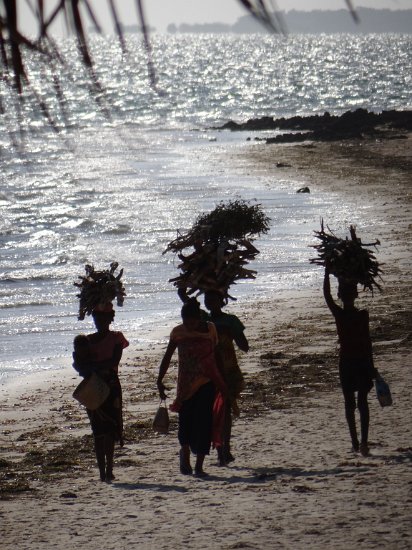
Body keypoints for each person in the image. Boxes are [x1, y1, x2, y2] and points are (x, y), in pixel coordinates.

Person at [157, 298, 226, 477]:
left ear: (198, 318)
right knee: (185, 423)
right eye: (185, 321)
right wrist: (159, 379)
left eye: (192, 321)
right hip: (185, 386)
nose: (188, 325)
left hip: (207, 382)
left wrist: (222, 379)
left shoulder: (210, 329)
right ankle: (185, 453)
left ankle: (199, 466)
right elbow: (167, 356)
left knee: (204, 423)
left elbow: (216, 354)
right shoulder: (178, 332)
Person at [323, 266, 377, 456]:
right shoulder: (362, 315)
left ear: (341, 295)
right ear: (355, 295)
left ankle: (355, 442)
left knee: (350, 403)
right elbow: (367, 342)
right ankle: (362, 442)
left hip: (347, 362)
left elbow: (327, 296)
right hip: (362, 361)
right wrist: (373, 368)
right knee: (362, 402)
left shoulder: (340, 314)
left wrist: (327, 272)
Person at [73, 303, 129, 482]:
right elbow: (80, 364)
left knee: (111, 429)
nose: (99, 322)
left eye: (103, 319)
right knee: (98, 430)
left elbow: (115, 359)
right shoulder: (87, 341)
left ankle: (109, 469)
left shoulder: (116, 338)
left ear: (110, 319)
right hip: (94, 388)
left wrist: (94, 367)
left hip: (111, 386)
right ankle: (101, 472)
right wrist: (91, 368)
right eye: (96, 319)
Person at [204, 290, 249, 466]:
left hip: (228, 371)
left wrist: (232, 333)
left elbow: (244, 345)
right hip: (208, 372)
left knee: (226, 411)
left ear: (221, 301)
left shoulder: (230, 321)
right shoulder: (203, 319)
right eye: (207, 298)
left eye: (213, 298)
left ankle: (225, 449)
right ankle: (221, 449)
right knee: (213, 411)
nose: (209, 301)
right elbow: (185, 300)